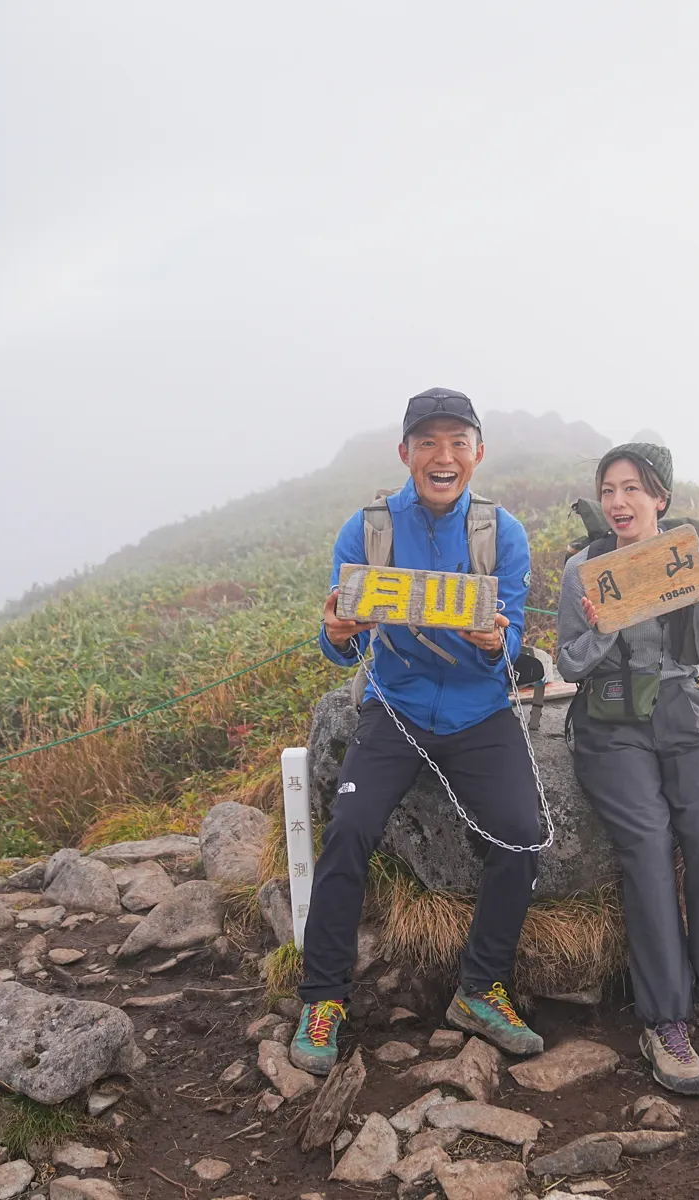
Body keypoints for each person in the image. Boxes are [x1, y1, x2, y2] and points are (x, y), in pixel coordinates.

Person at [290, 387, 547, 1076]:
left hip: (479, 712)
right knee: (348, 829)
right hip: (395, 705)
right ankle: (324, 999)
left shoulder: (503, 535)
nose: (443, 456)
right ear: (405, 453)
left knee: (523, 835)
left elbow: (513, 641)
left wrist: (495, 643)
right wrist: (338, 634)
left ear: (478, 454)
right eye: (428, 442)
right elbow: (343, 647)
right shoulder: (368, 530)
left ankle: (480, 989)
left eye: (458, 443)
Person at [555, 442, 699, 1095]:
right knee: (647, 847)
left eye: (633, 490)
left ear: (660, 499)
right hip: (610, 720)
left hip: (680, 708)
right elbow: (569, 663)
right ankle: (666, 1022)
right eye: (609, 489)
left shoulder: (693, 560)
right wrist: (601, 626)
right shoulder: (583, 570)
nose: (619, 502)